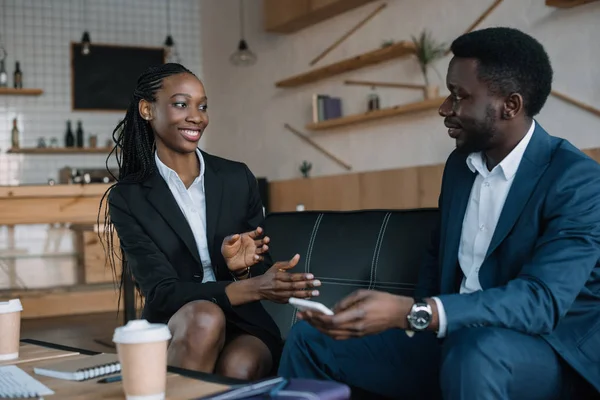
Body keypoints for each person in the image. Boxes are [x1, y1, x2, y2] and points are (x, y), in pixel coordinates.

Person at [278, 27, 600, 399]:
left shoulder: (578, 181)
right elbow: (437, 256)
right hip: (452, 337)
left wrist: (414, 312)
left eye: (459, 96)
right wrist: (396, 323)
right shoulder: (460, 167)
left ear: (510, 105)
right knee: (312, 337)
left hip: (544, 353)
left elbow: (541, 301)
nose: (445, 109)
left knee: (477, 352)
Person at [101, 63, 321, 380]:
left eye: (202, 106)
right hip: (177, 321)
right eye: (181, 104)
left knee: (239, 366)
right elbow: (161, 293)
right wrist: (251, 286)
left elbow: (261, 268)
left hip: (244, 321)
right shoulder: (128, 197)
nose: (197, 116)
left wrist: (243, 269)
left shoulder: (237, 178)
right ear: (148, 109)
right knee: (205, 317)